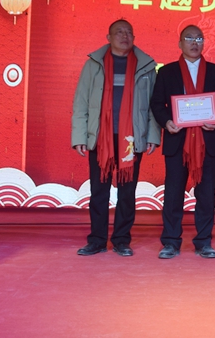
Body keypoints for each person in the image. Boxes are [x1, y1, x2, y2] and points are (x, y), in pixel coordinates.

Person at [72, 19, 161, 257]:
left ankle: (122, 239)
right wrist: (79, 136)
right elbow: (81, 102)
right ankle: (97, 240)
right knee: (98, 191)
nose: (125, 36)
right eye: (119, 32)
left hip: (131, 139)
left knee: (127, 192)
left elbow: (153, 105)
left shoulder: (146, 66)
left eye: (129, 32)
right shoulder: (94, 64)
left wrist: (152, 135)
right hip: (100, 137)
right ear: (108, 37)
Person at [150, 25, 215, 259]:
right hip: (178, 140)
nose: (195, 43)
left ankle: (203, 241)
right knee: (173, 193)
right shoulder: (166, 72)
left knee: (206, 194)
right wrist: (167, 122)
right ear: (179, 43)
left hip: (207, 141)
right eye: (189, 38)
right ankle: (171, 241)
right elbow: (157, 104)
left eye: (199, 38)